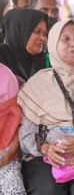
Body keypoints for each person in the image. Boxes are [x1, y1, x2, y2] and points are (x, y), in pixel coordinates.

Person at [17, 19, 74, 195]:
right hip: (45, 157)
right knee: (47, 190)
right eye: (65, 39)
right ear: (53, 44)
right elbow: (26, 132)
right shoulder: (38, 83)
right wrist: (46, 148)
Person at [0, 8, 48, 82]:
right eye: (37, 32)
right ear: (19, 31)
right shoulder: (2, 56)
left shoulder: (46, 62)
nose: (42, 38)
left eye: (45, 34)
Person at [0, 63, 26, 194]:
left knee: (12, 186)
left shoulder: (6, 77)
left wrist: (9, 153)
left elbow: (16, 125)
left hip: (4, 157)